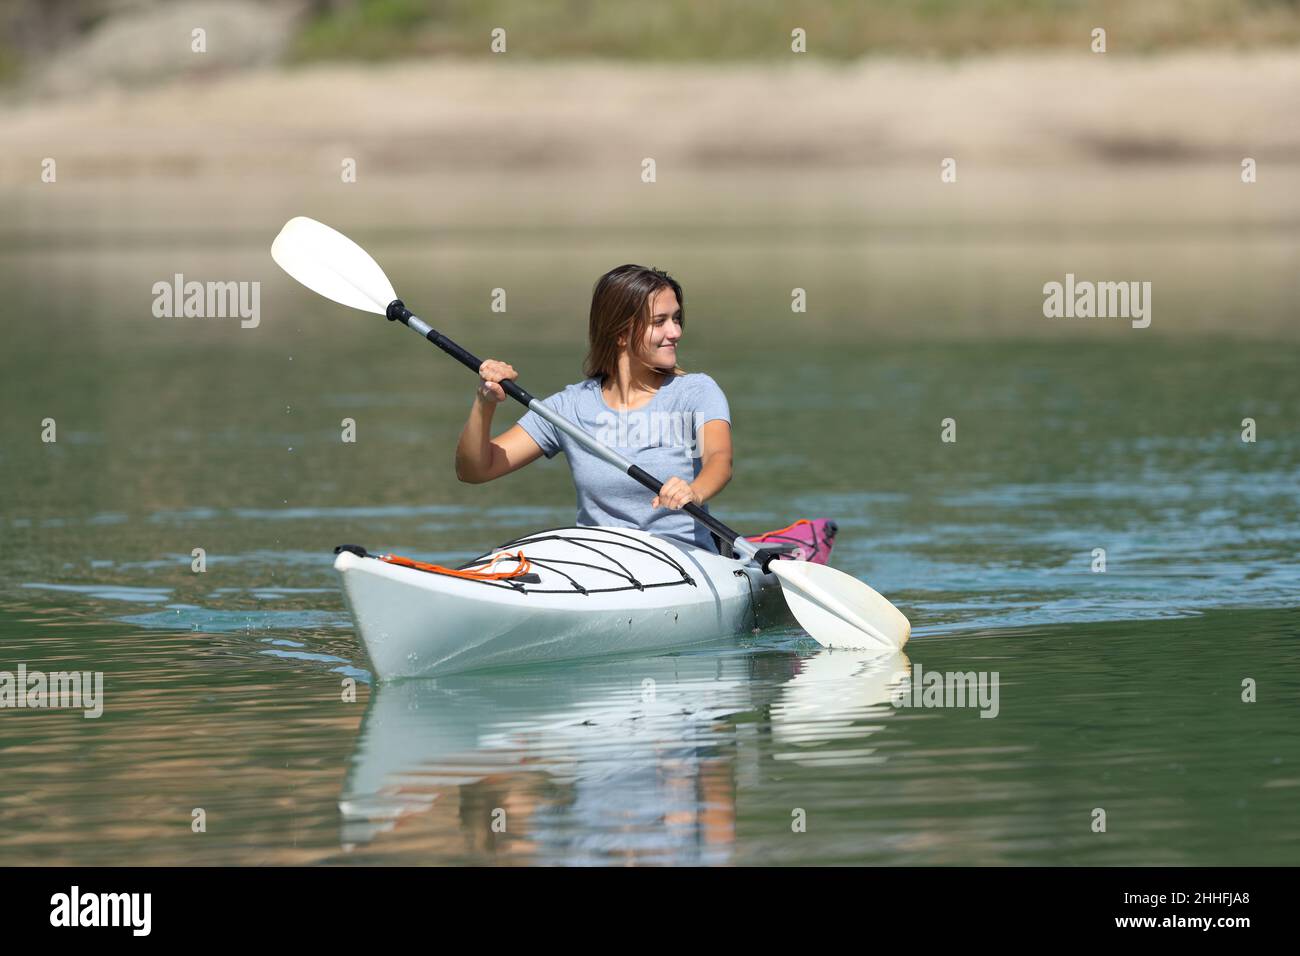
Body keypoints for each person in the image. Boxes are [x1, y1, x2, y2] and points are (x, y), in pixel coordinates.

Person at [454, 264, 733, 553]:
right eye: (659, 321)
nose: (675, 331)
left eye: (676, 319)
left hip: (685, 560)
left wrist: (695, 491)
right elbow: (474, 469)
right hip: (601, 563)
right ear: (621, 334)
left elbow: (719, 459)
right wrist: (484, 403)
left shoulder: (696, 392)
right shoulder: (568, 408)